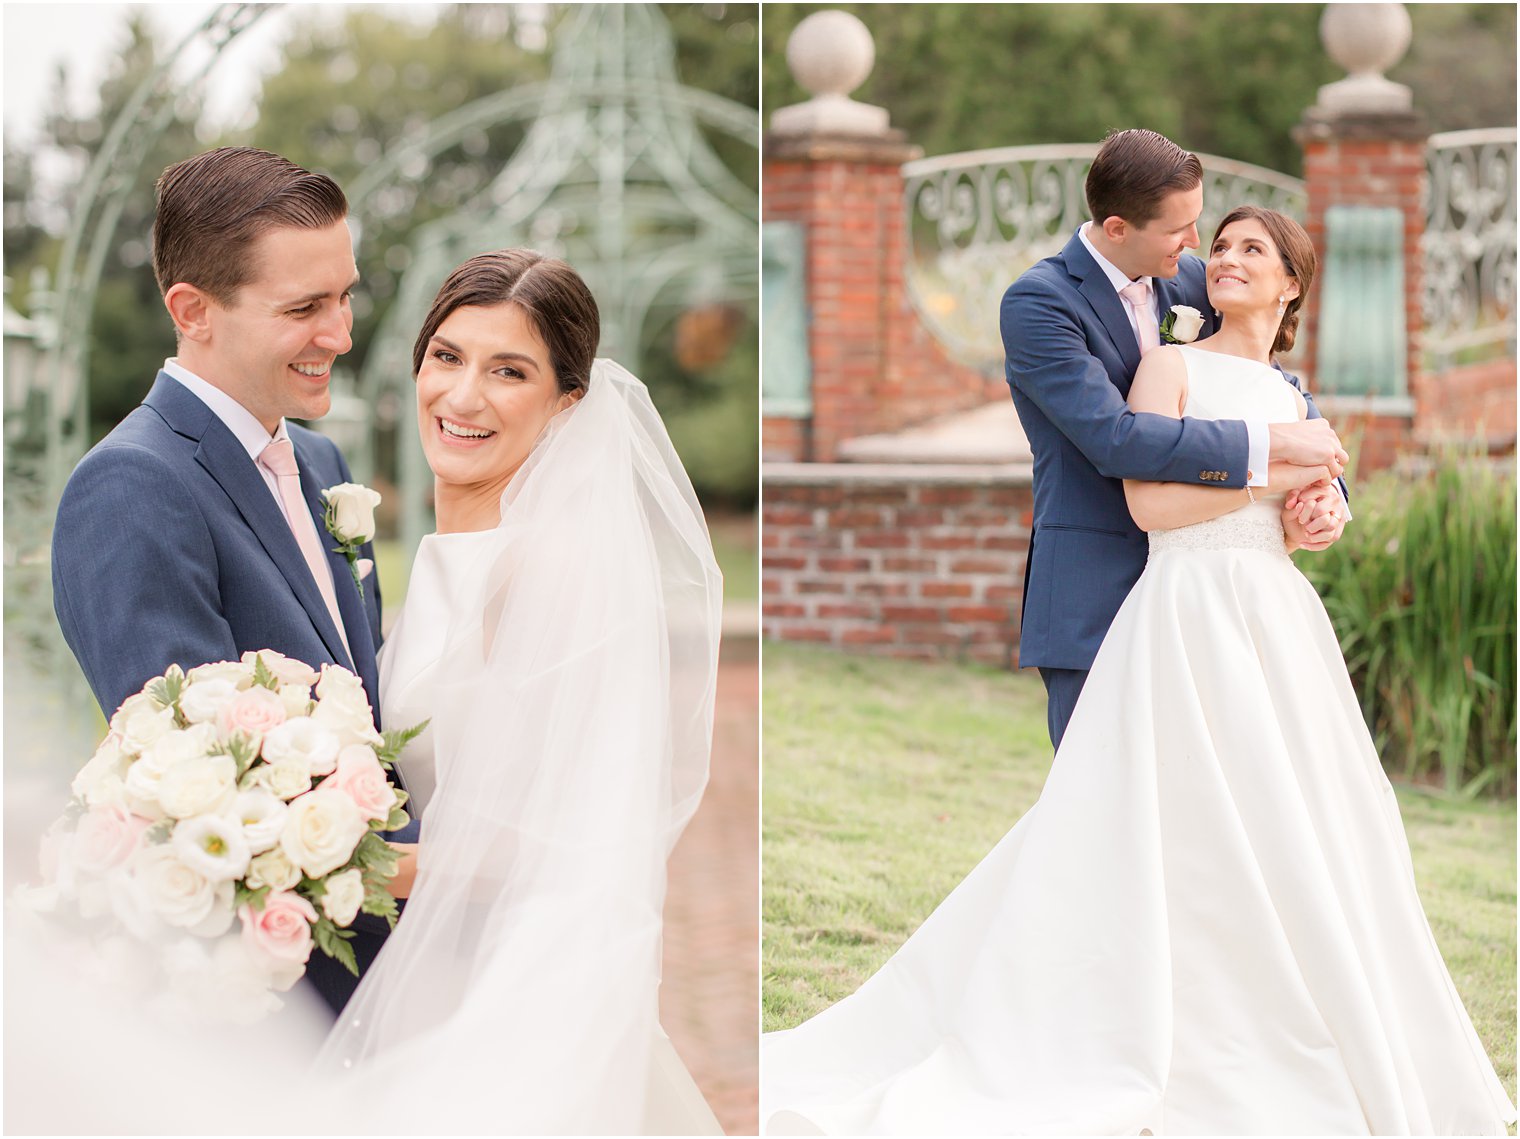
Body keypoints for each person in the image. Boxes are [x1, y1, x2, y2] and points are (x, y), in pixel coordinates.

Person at [758, 208, 1516, 1135]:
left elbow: (1310, 494)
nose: (1224, 257)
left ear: (1291, 289)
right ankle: (1152, 1028)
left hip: (1276, 625)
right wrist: (1278, 475)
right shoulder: (1169, 365)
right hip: (1183, 617)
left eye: (1250, 250)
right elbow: (1153, 504)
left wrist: (1319, 514)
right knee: (1167, 829)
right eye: (1219, 242)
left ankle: (1289, 1013)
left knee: (1296, 826)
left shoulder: (1292, 391)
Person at [315, 250, 726, 1134]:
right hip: (440, 967)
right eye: (448, 356)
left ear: (566, 404)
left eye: (510, 371)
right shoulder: (440, 560)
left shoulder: (544, 570)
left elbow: (552, 845)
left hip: (511, 990)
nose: (463, 397)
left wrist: (323, 869)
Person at [49, 146, 416, 1016]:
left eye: (345, 294)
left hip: (388, 974)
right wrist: (439, 873)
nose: (341, 333)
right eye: (305, 307)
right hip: (275, 1009)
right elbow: (198, 788)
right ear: (192, 310)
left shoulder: (320, 459)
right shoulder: (130, 487)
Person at [997, 129, 1350, 748]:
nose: (1196, 244)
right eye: (1179, 229)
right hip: (1097, 586)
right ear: (1116, 228)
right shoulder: (1039, 303)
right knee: (1103, 798)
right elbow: (1115, 439)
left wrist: (1327, 486)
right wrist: (1270, 451)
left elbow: (1259, 376)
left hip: (1211, 600)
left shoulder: (1191, 281)